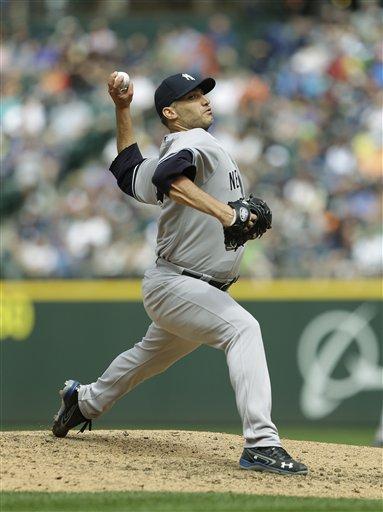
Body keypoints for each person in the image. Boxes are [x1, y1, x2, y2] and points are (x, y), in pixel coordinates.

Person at [52, 71, 308, 475]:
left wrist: (122, 110)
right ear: (171, 112)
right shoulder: (192, 142)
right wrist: (228, 213)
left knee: (147, 358)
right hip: (179, 283)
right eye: (192, 96)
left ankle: (82, 402)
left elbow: (127, 168)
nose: (204, 100)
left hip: (186, 286)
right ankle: (261, 442)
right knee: (243, 329)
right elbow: (168, 179)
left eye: (204, 93)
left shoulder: (186, 146)